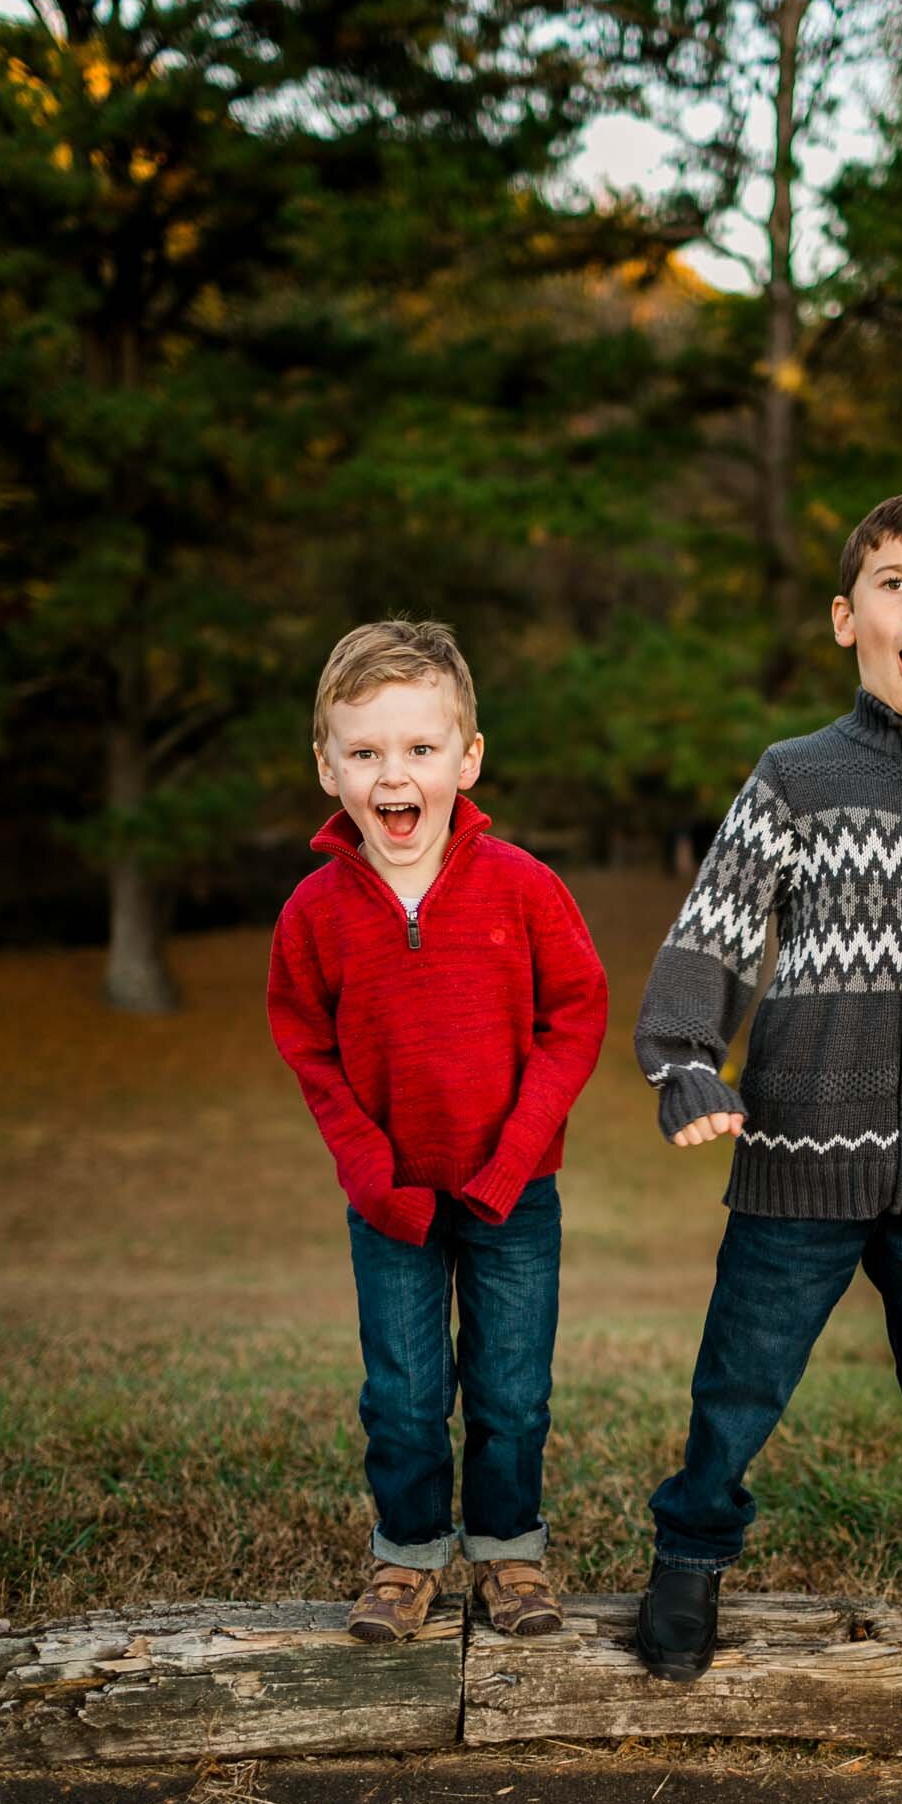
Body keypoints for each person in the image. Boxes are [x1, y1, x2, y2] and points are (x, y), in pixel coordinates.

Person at [633, 491, 902, 1686]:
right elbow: (715, 927)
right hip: (803, 1145)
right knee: (742, 1372)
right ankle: (692, 1552)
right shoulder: (793, 777)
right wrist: (681, 1060)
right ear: (846, 616)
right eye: (895, 583)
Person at [268, 620, 607, 1643]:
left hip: (515, 1192)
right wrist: (372, 1172)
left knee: (511, 1390)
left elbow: (576, 1017)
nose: (393, 774)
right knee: (405, 1394)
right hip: (393, 1202)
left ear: (467, 758)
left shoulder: (524, 887)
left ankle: (509, 1552)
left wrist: (512, 1158)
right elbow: (309, 1049)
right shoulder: (316, 913)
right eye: (365, 752)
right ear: (327, 766)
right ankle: (406, 1555)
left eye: (419, 748)